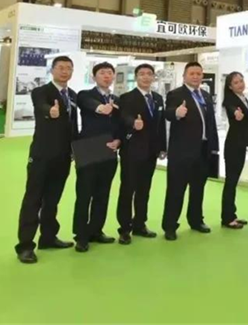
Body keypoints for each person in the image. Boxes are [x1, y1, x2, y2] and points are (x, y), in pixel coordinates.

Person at [15, 56, 78, 263]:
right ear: (52, 70)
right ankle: (25, 246)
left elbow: (73, 126)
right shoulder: (41, 92)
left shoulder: (72, 95)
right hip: (42, 155)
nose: (65, 71)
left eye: (69, 68)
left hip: (63, 157)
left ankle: (48, 237)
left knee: (53, 199)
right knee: (33, 199)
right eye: (61, 68)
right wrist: (50, 111)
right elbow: (42, 106)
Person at [162, 62, 219, 240]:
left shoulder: (206, 96)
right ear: (184, 76)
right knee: (176, 189)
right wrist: (176, 113)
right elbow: (167, 113)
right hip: (182, 151)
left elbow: (211, 124)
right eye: (192, 73)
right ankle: (170, 226)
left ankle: (196, 220)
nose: (195, 76)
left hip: (203, 150)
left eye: (199, 73)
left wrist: (214, 147)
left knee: (198, 189)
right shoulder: (176, 94)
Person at [73, 62, 121, 253]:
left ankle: (96, 230)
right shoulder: (85, 94)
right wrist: (102, 108)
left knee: (103, 194)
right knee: (84, 194)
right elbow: (90, 105)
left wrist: (118, 140)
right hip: (88, 148)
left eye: (110, 73)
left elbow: (120, 124)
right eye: (102, 73)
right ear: (94, 77)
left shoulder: (117, 99)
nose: (106, 76)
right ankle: (81, 235)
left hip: (109, 149)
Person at [116, 63, 167, 245]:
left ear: (153, 77)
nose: (146, 77)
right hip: (132, 150)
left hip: (151, 152)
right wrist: (133, 123)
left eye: (149, 74)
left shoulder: (158, 99)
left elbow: (160, 125)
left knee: (144, 190)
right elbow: (123, 117)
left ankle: (140, 224)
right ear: (136, 77)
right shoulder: (127, 97)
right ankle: (124, 229)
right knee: (127, 190)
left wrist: (162, 147)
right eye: (142, 74)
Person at [221, 72, 248, 230]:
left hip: (241, 144)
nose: (240, 84)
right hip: (233, 145)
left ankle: (231, 214)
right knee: (231, 182)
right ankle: (227, 218)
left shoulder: (243, 98)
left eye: (241, 81)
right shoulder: (230, 100)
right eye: (236, 82)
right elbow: (232, 109)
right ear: (230, 86)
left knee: (233, 181)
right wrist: (236, 113)